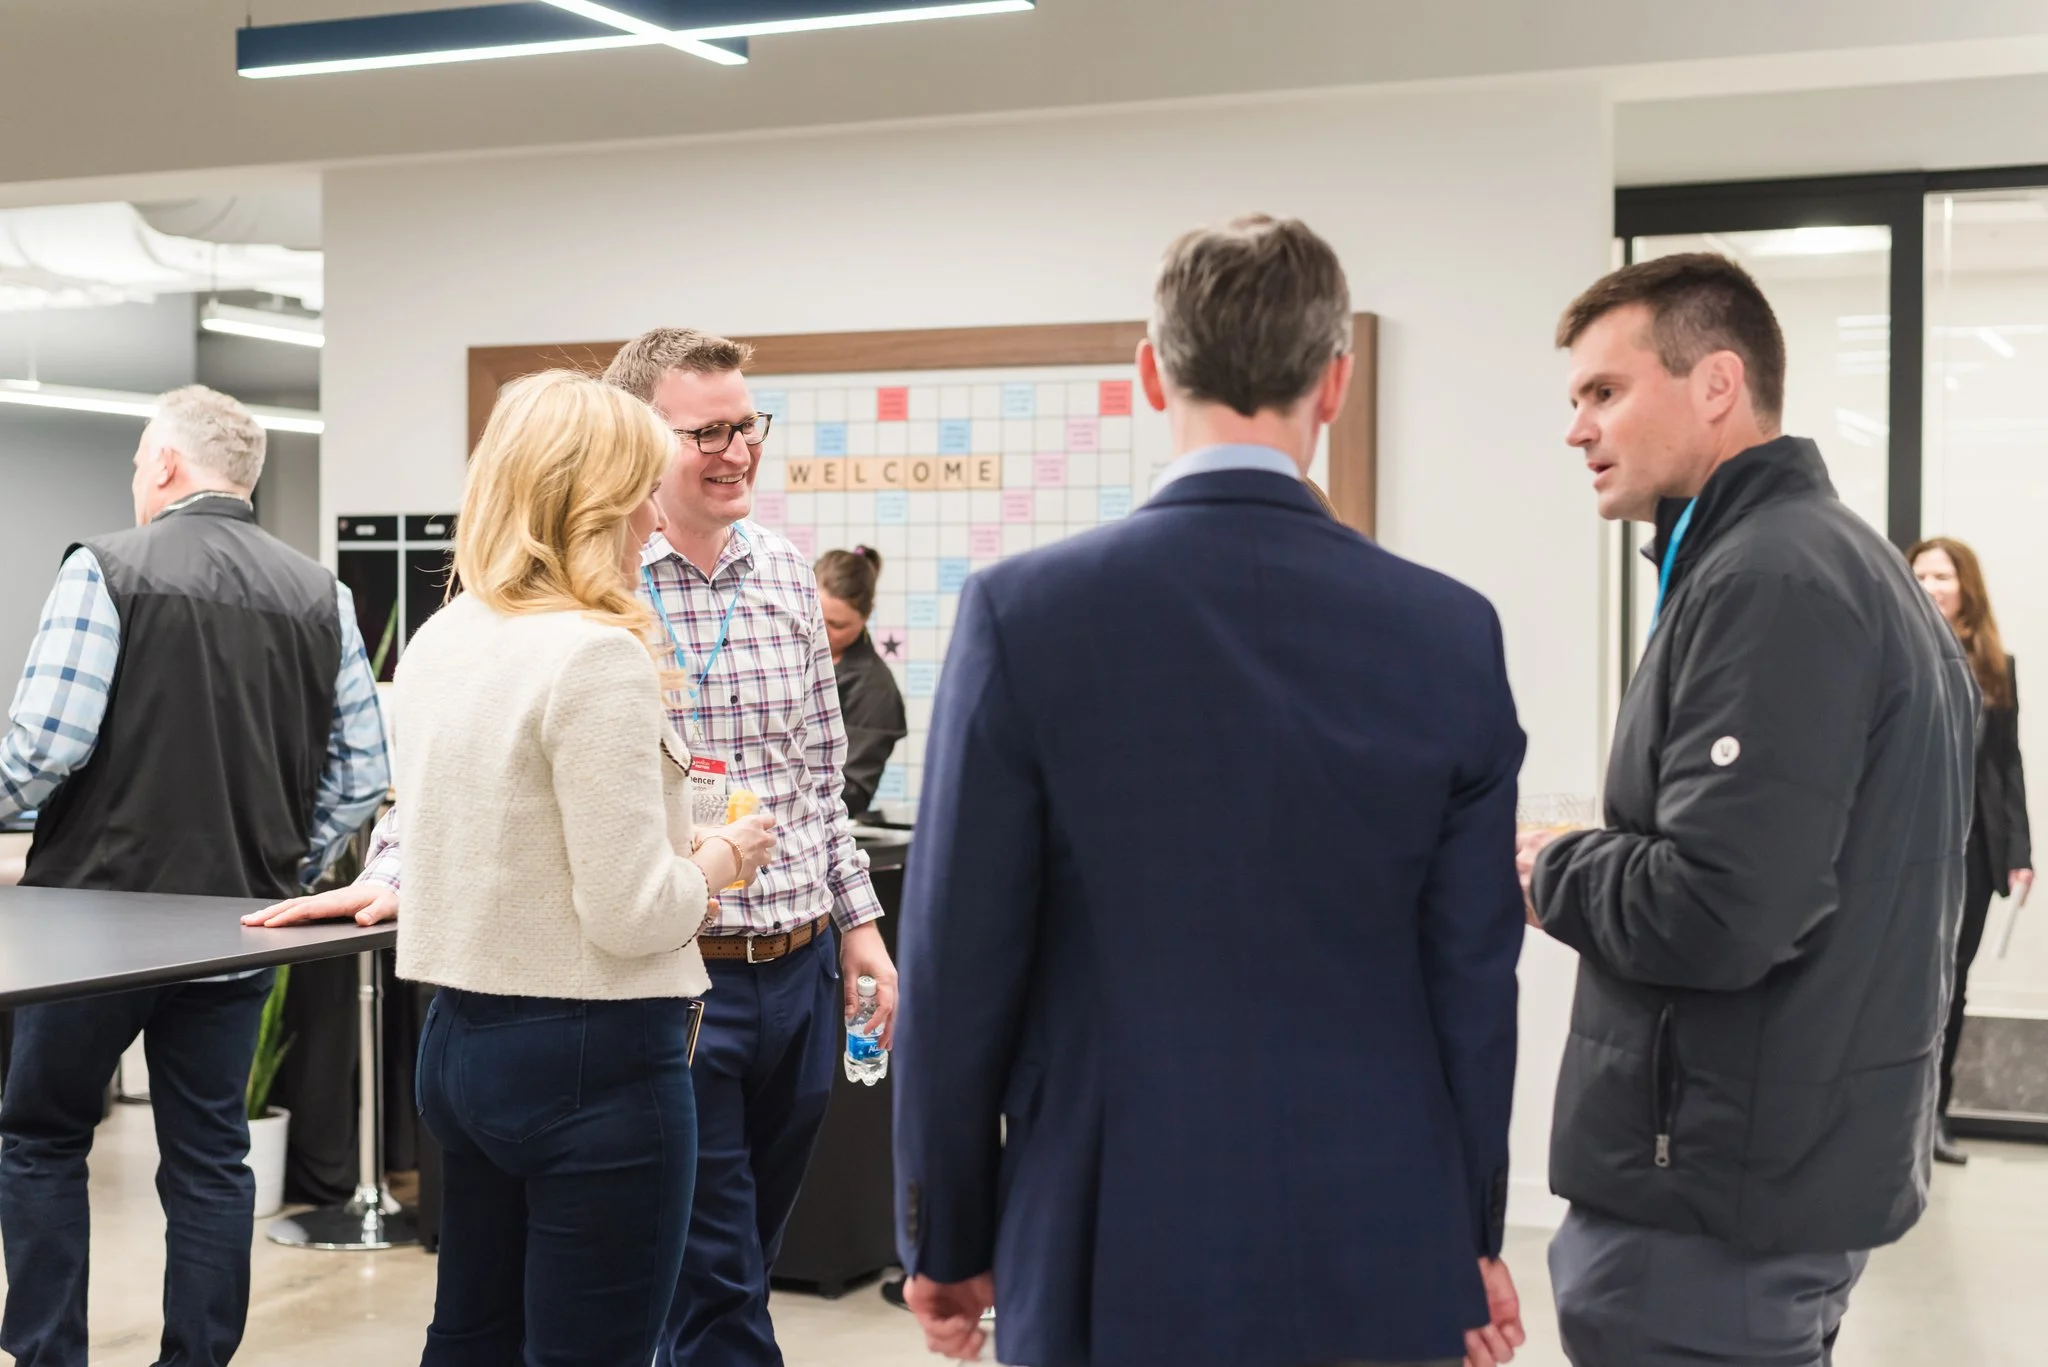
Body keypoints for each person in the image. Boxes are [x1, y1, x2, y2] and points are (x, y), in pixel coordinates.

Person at [892, 214, 1529, 1367]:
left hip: (1102, 1224)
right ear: (1332, 384)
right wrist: (1468, 1235)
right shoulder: (1448, 632)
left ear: (1149, 371)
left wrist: (945, 1233)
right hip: (1377, 1222)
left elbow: (956, 964)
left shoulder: (1023, 616)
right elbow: (1473, 984)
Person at [251, 327, 898, 1367]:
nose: (734, 450)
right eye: (701, 435)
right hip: (652, 998)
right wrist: (726, 854)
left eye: (747, 425)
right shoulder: (594, 635)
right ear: (621, 462)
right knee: (710, 1293)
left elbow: (816, 778)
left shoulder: (774, 576)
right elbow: (566, 864)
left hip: (776, 970)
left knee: (545, 1310)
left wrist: (855, 924)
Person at [1523, 254, 1977, 1367]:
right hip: (1766, 1179)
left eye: (1602, 391)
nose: (1575, 428)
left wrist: (1549, 863)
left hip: (1712, 1206)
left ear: (1715, 384)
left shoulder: (1769, 580)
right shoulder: (1820, 563)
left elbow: (1721, 906)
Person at [0, 385, 390, 1367]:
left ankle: (49, 1358)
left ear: (167, 464)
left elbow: (43, 745)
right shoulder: (322, 594)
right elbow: (362, 775)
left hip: (90, 924)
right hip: (238, 927)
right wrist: (280, 870)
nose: (135, 480)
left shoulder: (107, 567)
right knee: (211, 1157)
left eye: (139, 462)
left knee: (42, 1136)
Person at [396, 370, 775, 1361]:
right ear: (591, 499)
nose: (656, 518)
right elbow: (631, 911)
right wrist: (721, 858)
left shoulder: (443, 637)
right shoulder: (593, 656)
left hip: (458, 1041)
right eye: (641, 491)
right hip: (595, 1059)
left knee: (471, 1332)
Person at [1910, 535, 2033, 1166]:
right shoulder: (1899, 652)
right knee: (1906, 982)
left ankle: (1936, 1116)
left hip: (1976, 849)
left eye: (1942, 577)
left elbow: (2006, 765)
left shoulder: (1995, 664)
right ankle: (1894, 1115)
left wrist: (2021, 849)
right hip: (1908, 849)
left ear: (1966, 589)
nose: (1931, 587)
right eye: (1921, 575)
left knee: (1953, 985)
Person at [813, 546, 906, 820]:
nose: (822, 631)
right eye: (816, 616)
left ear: (866, 616)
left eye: (837, 625)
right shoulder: (776, 654)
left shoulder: (875, 689)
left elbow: (851, 790)